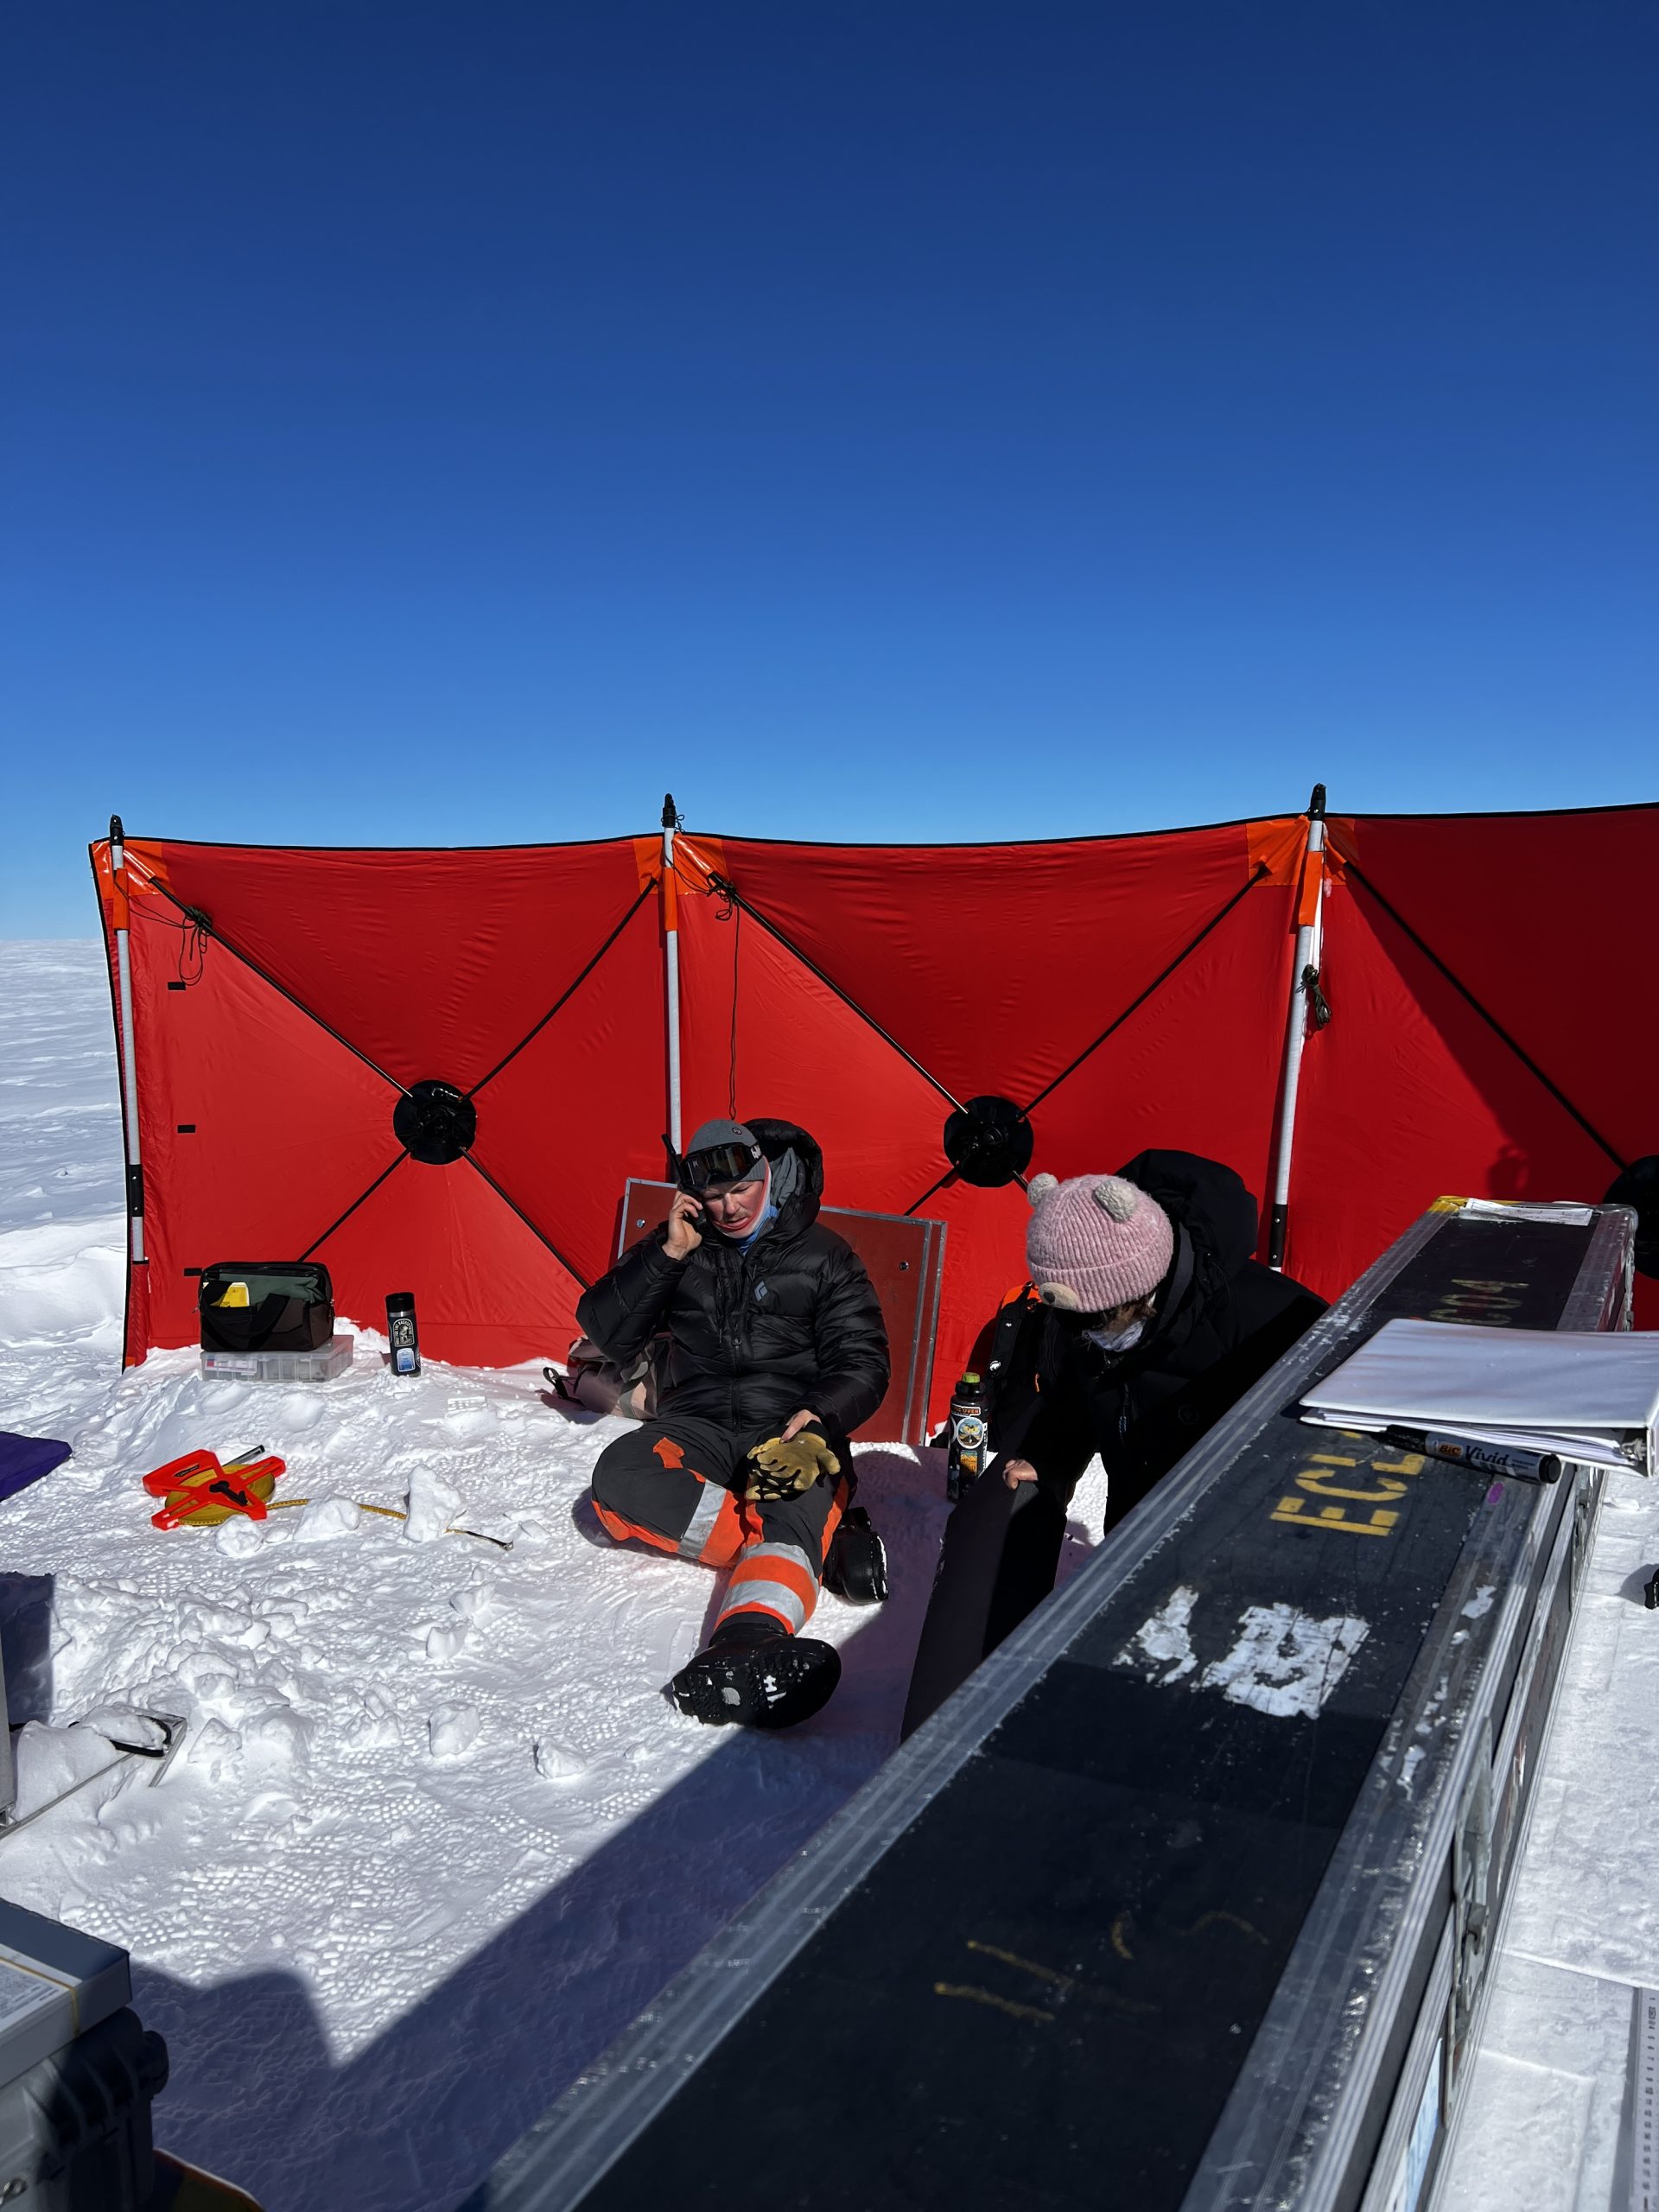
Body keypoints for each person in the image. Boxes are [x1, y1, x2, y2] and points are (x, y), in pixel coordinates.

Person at [902, 1149, 1325, 1735]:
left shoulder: (1284, 1328)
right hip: (1138, 1552)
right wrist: (1046, 1462)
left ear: (1143, 1286)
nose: (1083, 1340)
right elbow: (1075, 1402)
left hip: (1249, 1576)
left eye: (1096, 1322)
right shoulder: (1089, 1323)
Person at [577, 1116, 891, 1730]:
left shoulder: (825, 1254)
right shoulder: (682, 1245)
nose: (729, 1208)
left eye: (741, 1190)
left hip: (791, 1432)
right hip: (697, 1424)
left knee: (793, 1502)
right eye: (714, 1197)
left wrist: (821, 1417)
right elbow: (606, 1331)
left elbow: (866, 1361)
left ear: (766, 1172)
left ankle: (746, 1644)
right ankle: (789, 1546)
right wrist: (668, 1254)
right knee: (620, 1475)